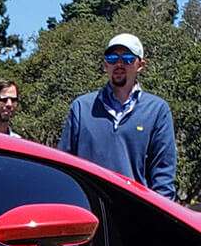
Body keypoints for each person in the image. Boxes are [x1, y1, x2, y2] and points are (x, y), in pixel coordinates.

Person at [57, 33, 177, 199]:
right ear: (106, 64)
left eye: (127, 58)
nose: (119, 64)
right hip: (89, 209)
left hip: (134, 210)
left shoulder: (157, 110)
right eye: (113, 58)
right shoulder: (81, 108)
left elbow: (163, 177)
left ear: (140, 65)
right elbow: (63, 167)